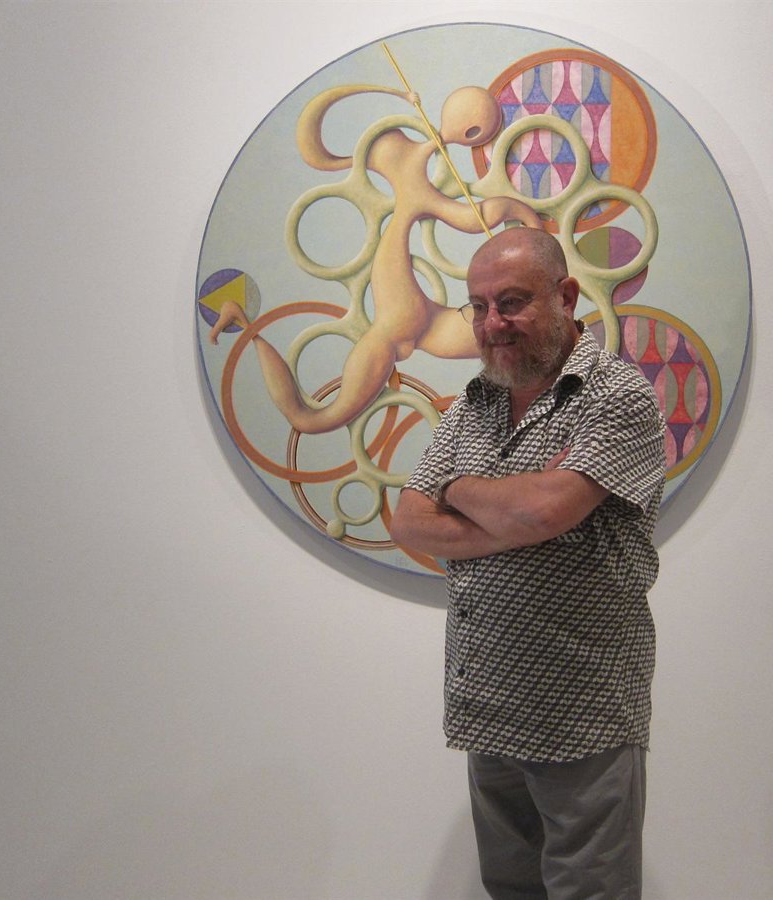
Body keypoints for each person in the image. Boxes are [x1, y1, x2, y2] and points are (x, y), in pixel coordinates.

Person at [389, 228, 666, 899]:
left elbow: (543, 511)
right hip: (488, 708)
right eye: (479, 306)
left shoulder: (616, 396)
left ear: (565, 296)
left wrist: (458, 487)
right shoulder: (476, 403)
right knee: (509, 890)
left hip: (583, 715)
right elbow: (409, 522)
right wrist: (510, 516)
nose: (492, 323)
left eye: (511, 302)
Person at [209, 84, 540, 434]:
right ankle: (242, 321)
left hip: (422, 323)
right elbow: (476, 217)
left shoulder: (391, 148)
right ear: (471, 132)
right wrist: (526, 219)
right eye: (477, 130)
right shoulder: (403, 157)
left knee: (523, 332)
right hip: (402, 316)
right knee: (310, 420)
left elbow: (318, 154)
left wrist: (393, 93)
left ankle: (244, 323)